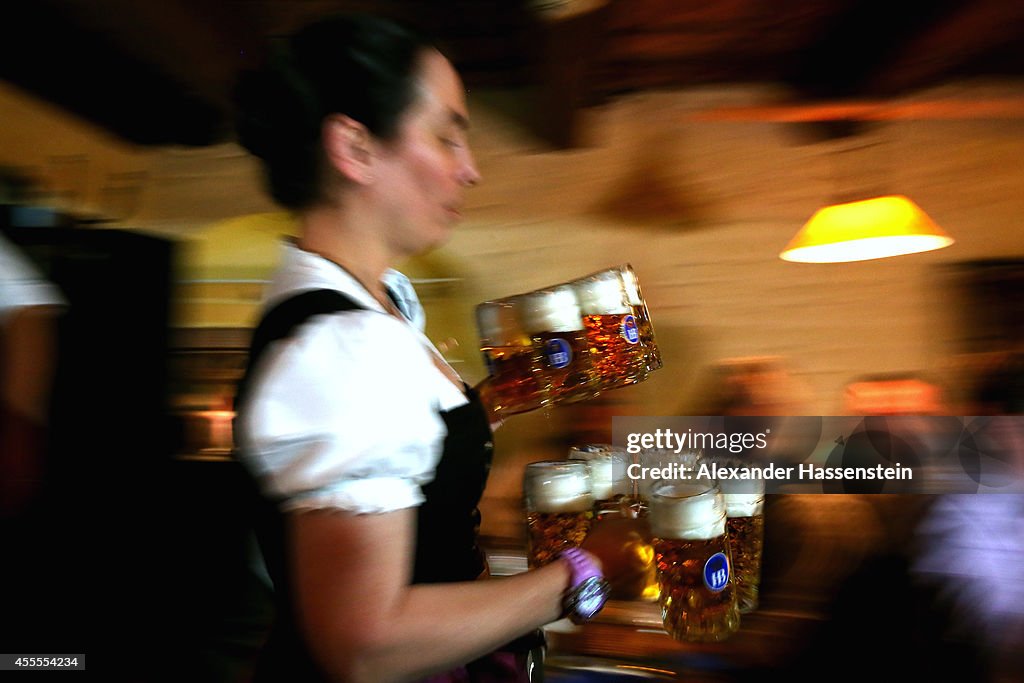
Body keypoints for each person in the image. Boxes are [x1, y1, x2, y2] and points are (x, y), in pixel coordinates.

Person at [231, 14, 609, 683]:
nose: (471, 171)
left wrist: (489, 405)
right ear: (355, 147)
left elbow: (398, 451)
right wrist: (574, 574)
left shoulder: (363, 306)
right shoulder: (346, 343)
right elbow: (366, 643)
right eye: (446, 136)